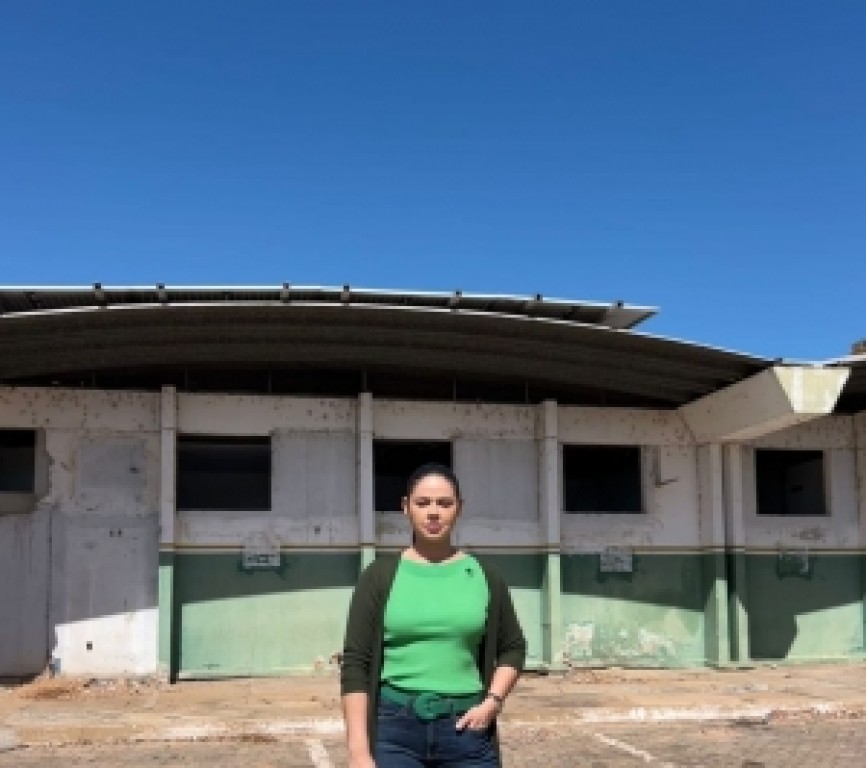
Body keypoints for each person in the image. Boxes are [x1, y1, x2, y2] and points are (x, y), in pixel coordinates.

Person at [341, 462, 526, 768]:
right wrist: (358, 752)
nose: (433, 513)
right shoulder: (378, 577)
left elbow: (513, 648)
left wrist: (493, 702)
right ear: (406, 507)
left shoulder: (485, 576)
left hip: (467, 731)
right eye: (423, 503)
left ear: (459, 508)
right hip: (394, 732)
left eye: (444, 503)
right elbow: (356, 664)